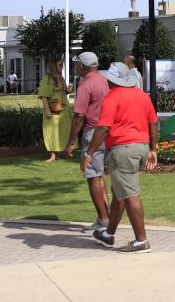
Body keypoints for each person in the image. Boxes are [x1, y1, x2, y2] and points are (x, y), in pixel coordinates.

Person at [82, 61, 159, 253]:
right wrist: (153, 149)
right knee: (119, 192)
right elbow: (153, 123)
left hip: (123, 150)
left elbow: (104, 127)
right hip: (141, 147)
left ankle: (141, 241)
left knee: (130, 194)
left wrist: (89, 153)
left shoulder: (112, 97)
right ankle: (108, 234)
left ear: (112, 80)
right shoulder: (142, 96)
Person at [64, 52, 111, 231]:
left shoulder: (85, 85)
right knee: (98, 176)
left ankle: (103, 220)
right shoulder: (104, 80)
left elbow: (79, 116)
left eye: (77, 64)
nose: (75, 67)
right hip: (108, 132)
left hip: (93, 133)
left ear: (83, 66)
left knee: (92, 177)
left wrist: (71, 142)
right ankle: (105, 216)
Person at [38, 59, 72, 162]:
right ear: (53, 66)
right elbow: (43, 96)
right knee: (51, 131)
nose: (62, 67)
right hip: (53, 110)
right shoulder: (47, 79)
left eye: (62, 65)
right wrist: (47, 109)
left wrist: (69, 90)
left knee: (64, 131)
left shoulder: (61, 78)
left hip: (63, 108)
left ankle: (63, 151)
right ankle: (53, 155)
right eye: (60, 65)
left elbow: (64, 92)